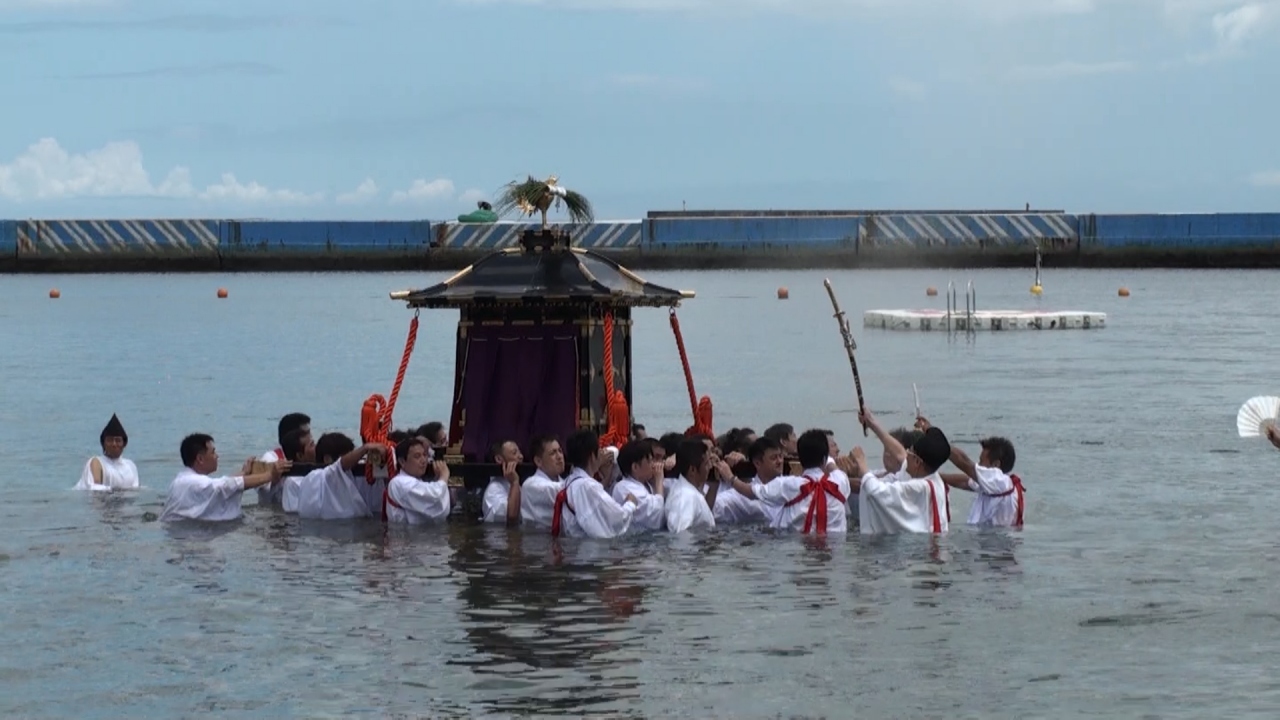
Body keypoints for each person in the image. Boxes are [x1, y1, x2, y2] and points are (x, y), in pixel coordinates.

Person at [733, 429, 851, 534]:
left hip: (794, 546)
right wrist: (829, 461)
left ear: (799, 458)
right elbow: (835, 469)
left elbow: (751, 492)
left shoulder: (788, 484)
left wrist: (730, 477)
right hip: (835, 547)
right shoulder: (840, 482)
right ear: (824, 458)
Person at [854, 411, 952, 534]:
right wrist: (872, 423)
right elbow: (899, 453)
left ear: (917, 462)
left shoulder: (918, 487)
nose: (906, 455)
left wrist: (862, 465)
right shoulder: (932, 476)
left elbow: (877, 492)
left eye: (909, 452)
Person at [922, 416, 1025, 527]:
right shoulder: (995, 485)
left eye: (981, 461)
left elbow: (964, 462)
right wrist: (933, 476)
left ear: (996, 465)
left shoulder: (1000, 481)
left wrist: (934, 437)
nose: (978, 464)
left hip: (993, 541)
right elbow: (965, 482)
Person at [160, 433, 287, 522]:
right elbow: (224, 486)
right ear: (200, 458)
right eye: (213, 452)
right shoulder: (193, 482)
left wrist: (244, 473)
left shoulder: (184, 478)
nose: (217, 456)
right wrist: (269, 475)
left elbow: (220, 486)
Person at [550, 429, 639, 539]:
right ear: (593, 456)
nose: (602, 452)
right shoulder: (587, 486)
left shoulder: (569, 481)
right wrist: (630, 504)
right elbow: (617, 517)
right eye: (599, 450)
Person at [282, 433, 385, 520]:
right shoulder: (317, 478)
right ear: (327, 459)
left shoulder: (348, 479)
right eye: (348, 454)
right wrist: (365, 448)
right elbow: (341, 464)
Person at [384, 437, 452, 524]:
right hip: (404, 536)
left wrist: (437, 479)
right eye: (417, 456)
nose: (423, 461)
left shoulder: (416, 481)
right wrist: (443, 477)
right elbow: (434, 496)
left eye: (424, 455)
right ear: (402, 462)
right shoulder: (399, 482)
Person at [665, 439, 721, 534]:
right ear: (692, 470)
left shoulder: (688, 491)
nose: (710, 467)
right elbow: (680, 534)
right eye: (706, 464)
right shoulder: (686, 497)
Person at [611, 439, 666, 532]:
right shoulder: (624, 487)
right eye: (649, 461)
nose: (653, 465)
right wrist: (659, 480)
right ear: (635, 467)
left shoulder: (645, 483)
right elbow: (656, 514)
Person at [74, 414, 140, 492]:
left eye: (118, 440)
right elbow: (95, 490)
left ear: (124, 444)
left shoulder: (130, 466)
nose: (114, 444)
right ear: (103, 444)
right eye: (110, 440)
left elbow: (136, 490)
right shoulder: (96, 462)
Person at [258, 412, 311, 505]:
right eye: (307, 433)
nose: (311, 437)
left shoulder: (308, 456)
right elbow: (263, 492)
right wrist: (273, 477)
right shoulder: (270, 459)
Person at [520, 435, 565, 529]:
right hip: (537, 540)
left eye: (560, 451)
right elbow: (560, 491)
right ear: (538, 461)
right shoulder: (531, 485)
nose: (559, 457)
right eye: (553, 453)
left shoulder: (564, 482)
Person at [481, 440, 523, 526]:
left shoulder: (516, 483)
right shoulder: (494, 489)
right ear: (499, 459)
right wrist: (514, 483)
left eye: (520, 452)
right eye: (514, 453)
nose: (521, 456)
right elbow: (511, 517)